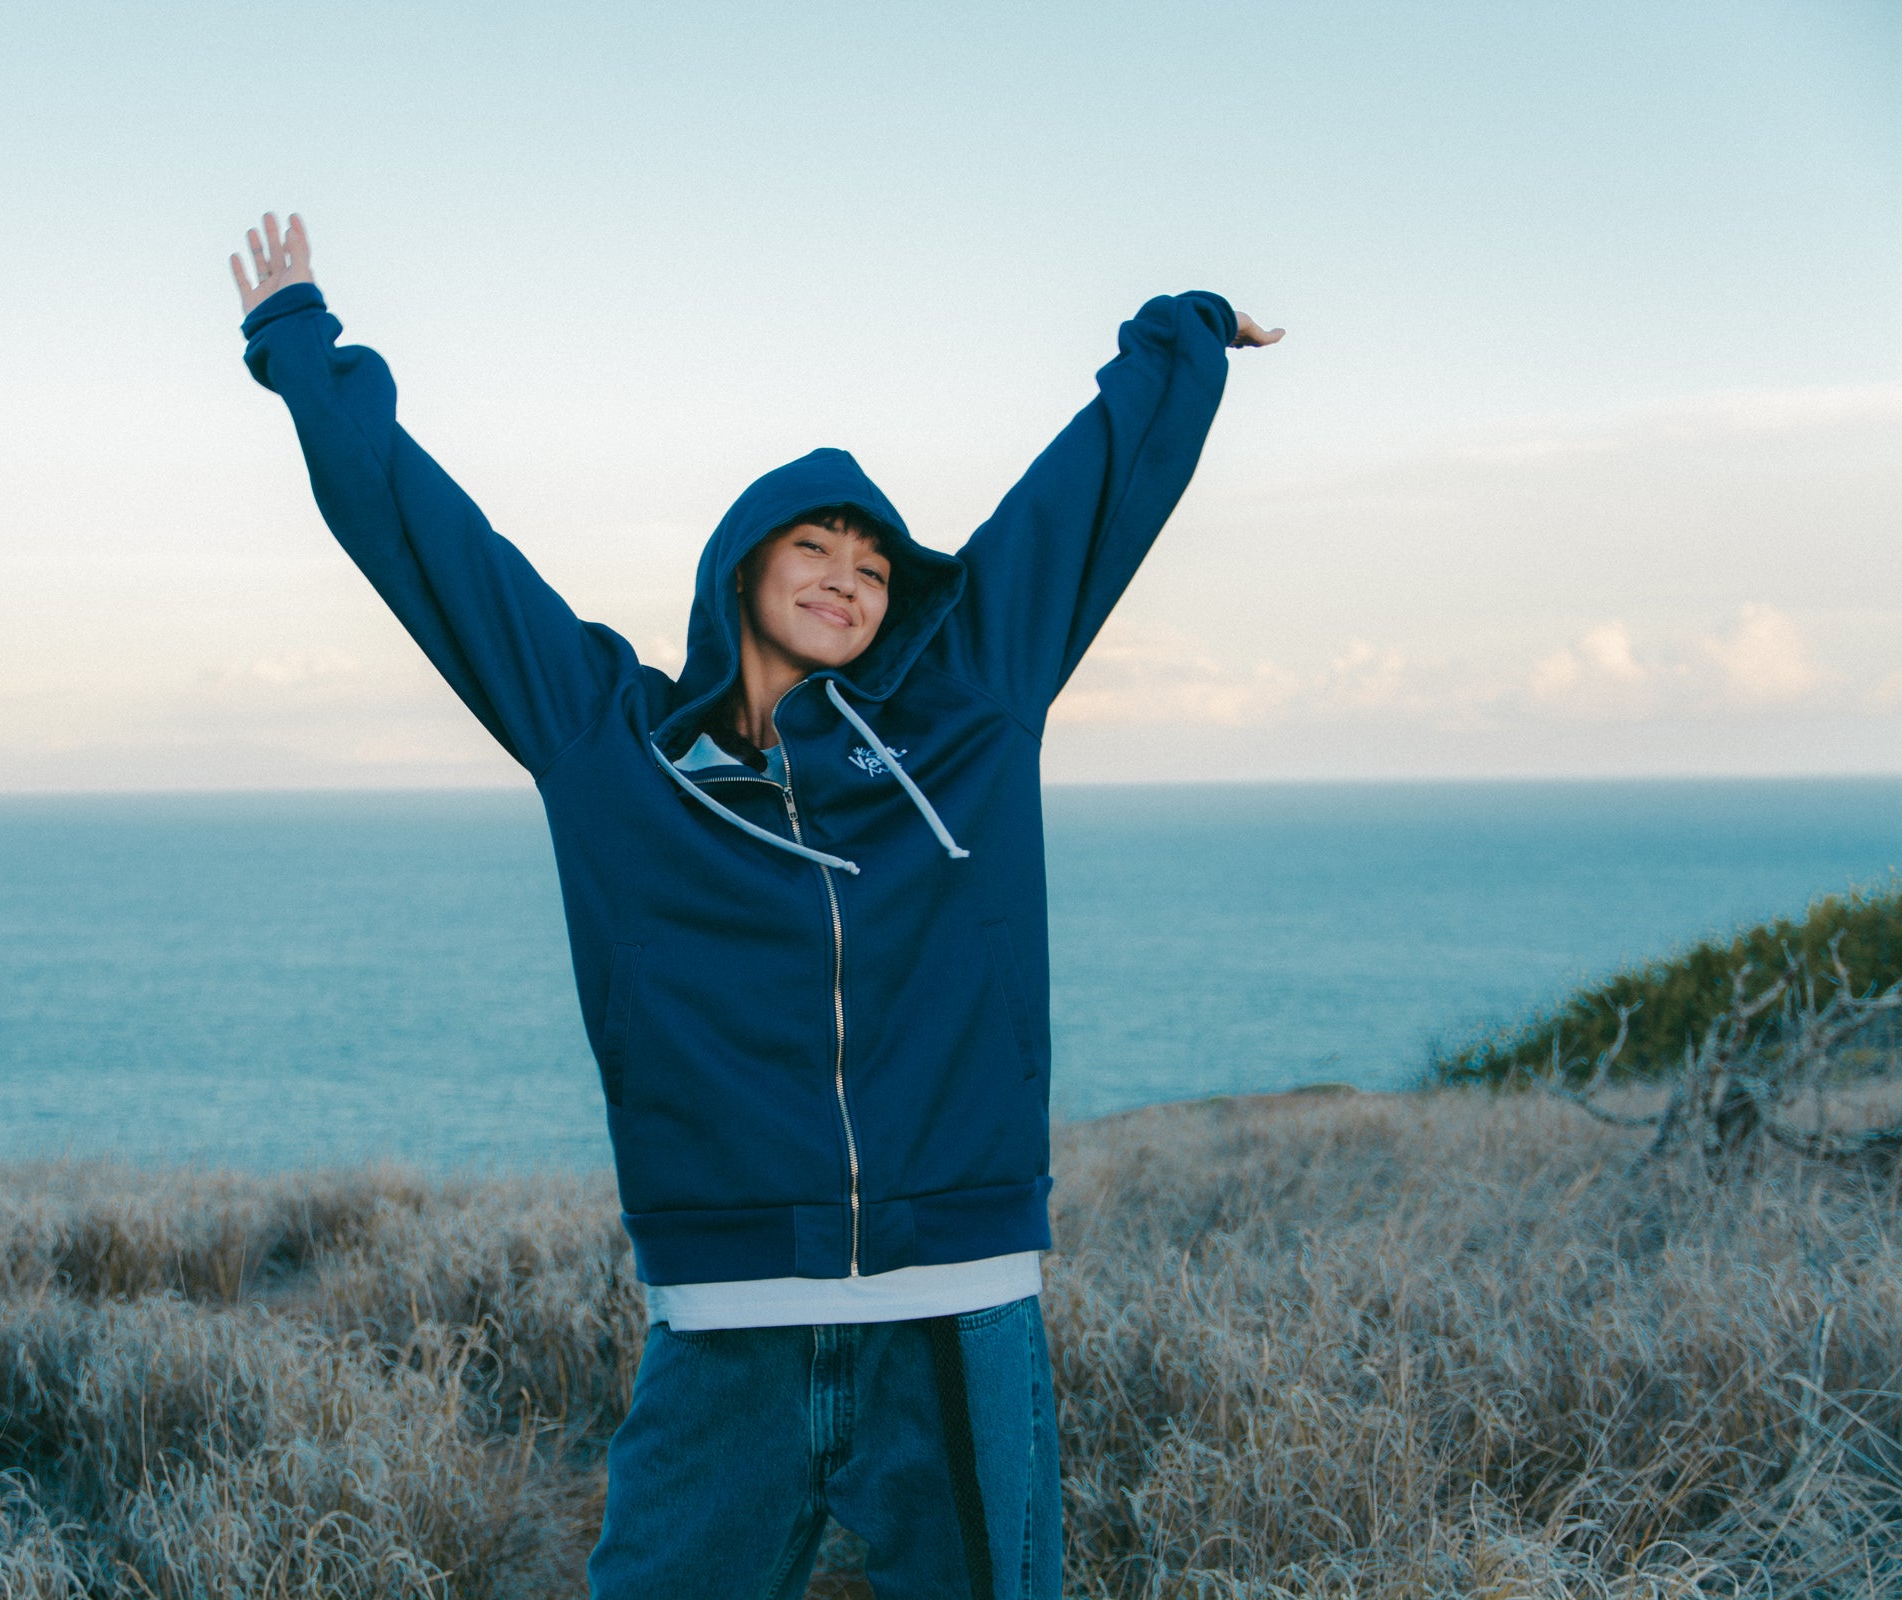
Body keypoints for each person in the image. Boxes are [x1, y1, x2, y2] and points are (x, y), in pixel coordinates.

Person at [229, 210, 1280, 1600]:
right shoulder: (609, 746)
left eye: (876, 564)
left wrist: (1184, 342)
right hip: (726, 1327)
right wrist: (302, 350)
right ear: (744, 565)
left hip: (959, 1305)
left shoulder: (969, 706)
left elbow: (1086, 506)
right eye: (818, 545)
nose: (850, 575)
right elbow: (436, 554)